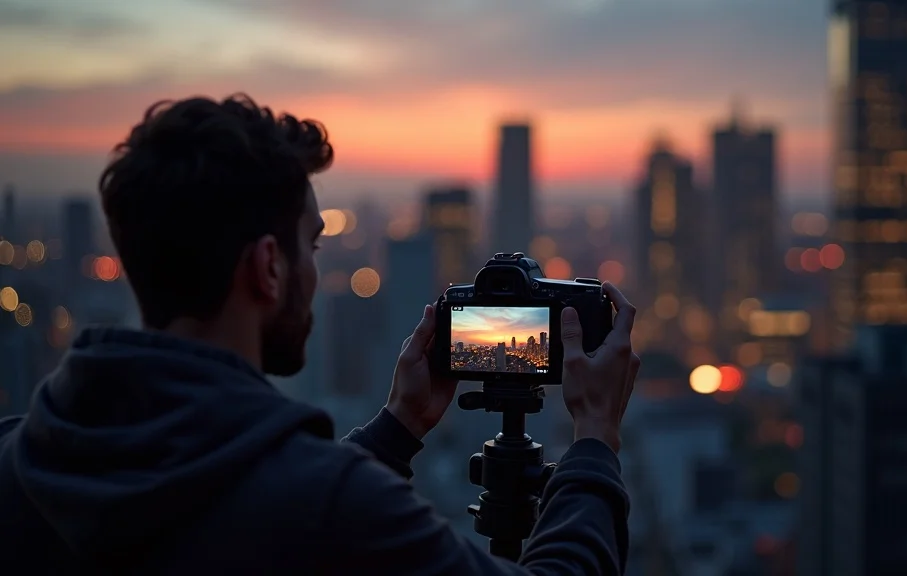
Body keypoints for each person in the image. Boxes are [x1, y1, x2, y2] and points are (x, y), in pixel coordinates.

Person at [0, 94, 641, 575]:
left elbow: (246, 498)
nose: (316, 271)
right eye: (312, 245)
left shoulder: (22, 458)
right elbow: (295, 506)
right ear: (268, 267)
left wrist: (398, 425)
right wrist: (594, 441)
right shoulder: (336, 511)